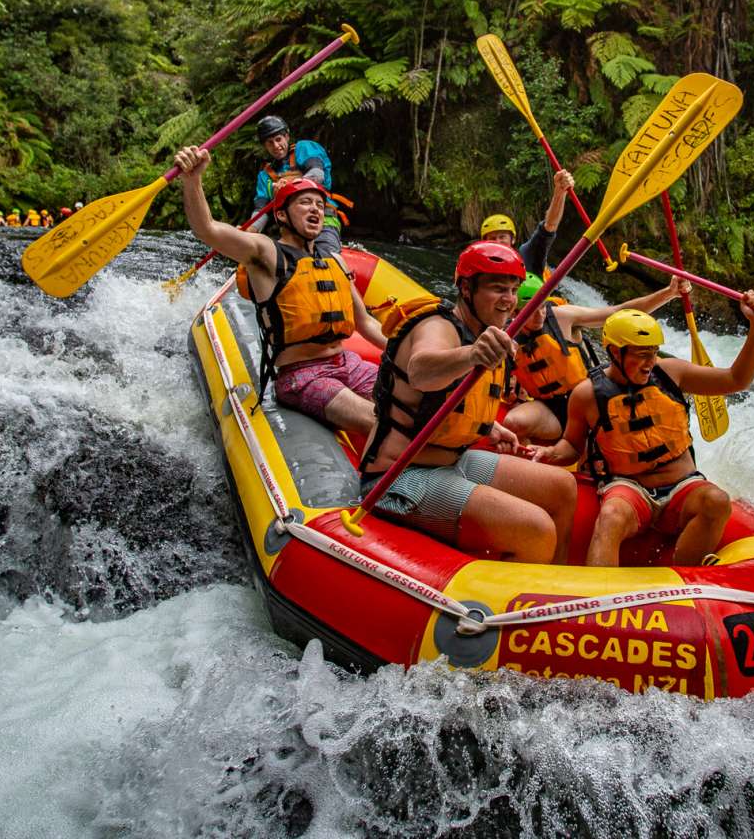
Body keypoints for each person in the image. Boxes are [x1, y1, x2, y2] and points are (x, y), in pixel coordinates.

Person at [357, 241, 577, 564]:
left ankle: (557, 588)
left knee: (563, 486)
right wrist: (472, 354)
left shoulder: (483, 330)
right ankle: (521, 608)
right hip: (398, 477)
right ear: (466, 289)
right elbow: (421, 370)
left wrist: (492, 427)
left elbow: (453, 403)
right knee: (536, 527)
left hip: (452, 460)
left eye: (513, 290)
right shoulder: (438, 326)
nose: (509, 300)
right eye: (498, 289)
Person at [536, 298, 754, 567]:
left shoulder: (671, 373)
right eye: (641, 354)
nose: (650, 362)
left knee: (717, 500)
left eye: (654, 352)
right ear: (614, 352)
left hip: (682, 487)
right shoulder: (586, 394)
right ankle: (599, 596)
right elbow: (571, 446)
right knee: (612, 515)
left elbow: (736, 380)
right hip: (628, 488)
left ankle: (684, 578)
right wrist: (549, 453)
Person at [175, 145, 387, 434]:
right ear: (283, 216)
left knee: (412, 407)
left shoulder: (334, 260)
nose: (315, 208)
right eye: (305, 203)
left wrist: (405, 355)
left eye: (319, 205)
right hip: (303, 375)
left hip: (347, 362)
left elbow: (366, 323)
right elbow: (208, 229)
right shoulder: (265, 253)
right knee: (382, 423)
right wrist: (193, 180)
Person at [504, 272, 693, 446]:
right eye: (531, 311)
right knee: (513, 423)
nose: (540, 315)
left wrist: (668, 293)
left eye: (543, 307)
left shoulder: (563, 317)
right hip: (552, 409)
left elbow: (619, 312)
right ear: (514, 313)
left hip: (593, 400)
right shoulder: (509, 337)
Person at [251, 115, 348, 261]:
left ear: (287, 137)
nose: (276, 146)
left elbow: (317, 174)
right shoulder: (265, 176)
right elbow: (260, 212)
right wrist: (248, 232)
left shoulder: (304, 148)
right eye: (270, 143)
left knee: (328, 261)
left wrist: (289, 187)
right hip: (290, 230)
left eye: (278, 139)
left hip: (323, 221)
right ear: (265, 146)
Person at [480, 168, 573, 277]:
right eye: (492, 238)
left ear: (513, 239)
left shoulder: (526, 254)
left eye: (502, 237)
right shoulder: (480, 268)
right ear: (485, 243)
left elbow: (549, 226)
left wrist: (560, 193)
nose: (498, 242)